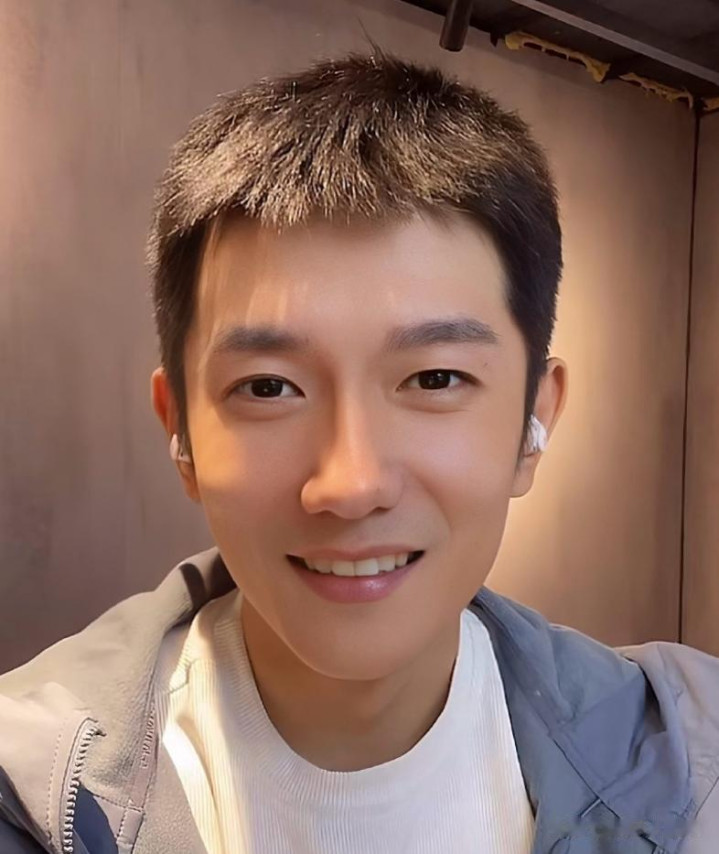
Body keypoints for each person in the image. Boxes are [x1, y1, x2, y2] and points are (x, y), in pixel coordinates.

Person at [0, 51, 717, 854]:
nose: (351, 483)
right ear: (183, 433)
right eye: (268, 387)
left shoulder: (693, 771)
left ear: (533, 422)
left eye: (434, 378)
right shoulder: (31, 788)